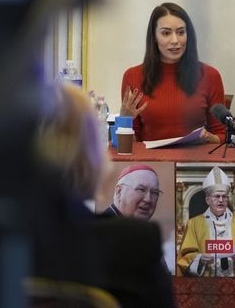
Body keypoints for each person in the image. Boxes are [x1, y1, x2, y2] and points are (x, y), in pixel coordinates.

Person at [35, 85, 175, 308]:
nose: (148, 199)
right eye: (141, 190)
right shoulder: (134, 243)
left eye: (154, 193)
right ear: (92, 159)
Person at [121, 2, 227, 143]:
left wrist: (209, 137)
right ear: (154, 36)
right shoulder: (132, 76)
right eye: (166, 33)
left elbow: (222, 135)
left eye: (181, 32)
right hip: (149, 157)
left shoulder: (210, 75)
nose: (175, 40)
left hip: (195, 156)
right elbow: (132, 144)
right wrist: (124, 122)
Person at [177, 165, 235, 277]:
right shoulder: (194, 224)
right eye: (217, 196)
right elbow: (185, 257)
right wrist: (200, 259)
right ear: (207, 200)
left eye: (224, 196)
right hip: (206, 283)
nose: (221, 200)